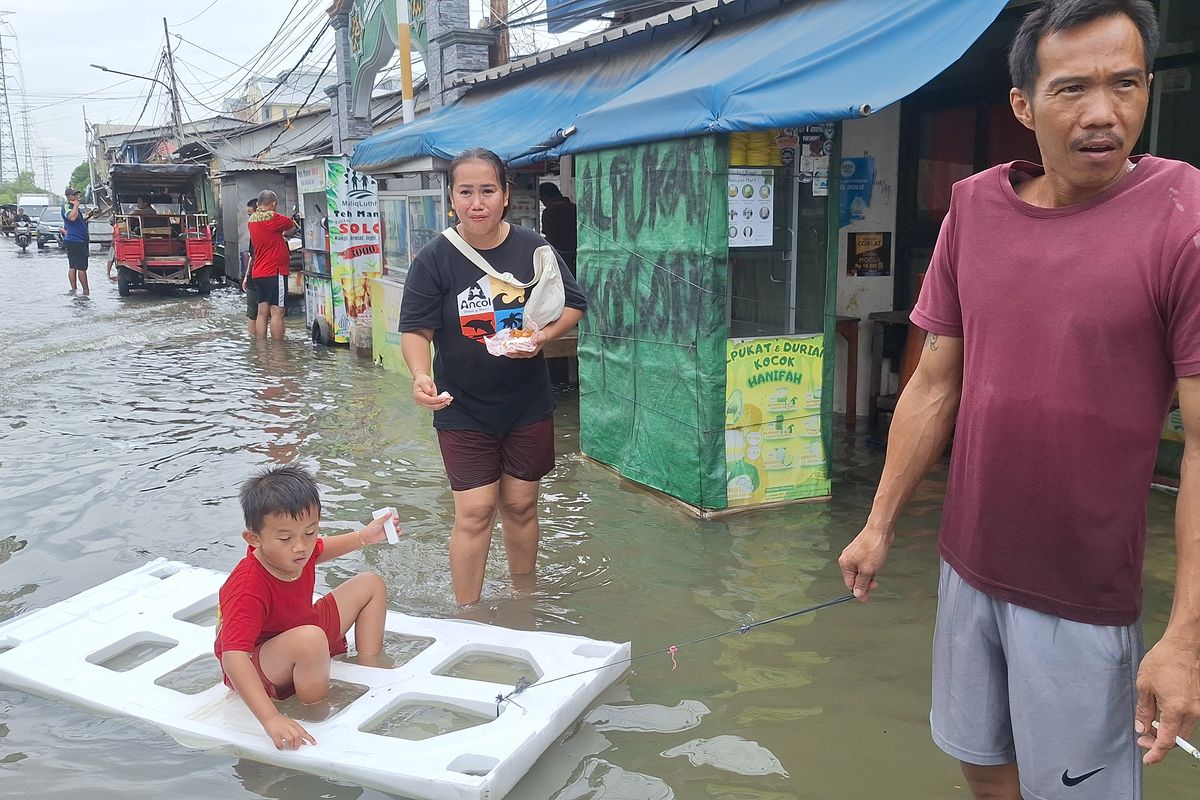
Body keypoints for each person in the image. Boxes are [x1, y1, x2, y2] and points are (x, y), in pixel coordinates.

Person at [837, 2, 1200, 798]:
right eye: (1072, 89)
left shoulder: (1183, 218)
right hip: (968, 563)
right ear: (1024, 107)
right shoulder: (974, 208)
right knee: (982, 764)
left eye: (1126, 84)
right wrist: (878, 523)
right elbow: (936, 379)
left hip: (1084, 591)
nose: (1103, 113)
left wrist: (1184, 637)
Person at [399, 147, 588, 606]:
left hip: (526, 403)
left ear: (505, 196)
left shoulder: (534, 248)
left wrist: (541, 338)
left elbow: (573, 304)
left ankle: (524, 599)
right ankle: (468, 614)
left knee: (522, 506)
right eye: (466, 191)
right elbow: (416, 329)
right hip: (461, 404)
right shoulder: (435, 257)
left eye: (487, 190)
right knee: (475, 512)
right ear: (452, 198)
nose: (477, 201)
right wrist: (421, 375)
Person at [214, 465, 397, 750]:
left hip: (302, 629)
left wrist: (364, 537)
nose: (301, 547)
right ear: (254, 539)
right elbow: (233, 656)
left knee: (370, 584)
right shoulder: (248, 587)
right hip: (260, 662)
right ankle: (316, 709)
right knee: (310, 639)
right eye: (286, 538)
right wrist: (271, 718)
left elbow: (323, 548)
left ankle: (369, 667)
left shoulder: (300, 550)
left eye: (310, 532)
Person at [247, 190, 297, 340]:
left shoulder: (252, 221)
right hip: (275, 271)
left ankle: (261, 349)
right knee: (277, 312)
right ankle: (278, 350)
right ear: (273, 204)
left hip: (259, 272)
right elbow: (290, 224)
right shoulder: (273, 218)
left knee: (262, 312)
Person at [538, 182, 577, 277]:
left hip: (561, 257)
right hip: (577, 255)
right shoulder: (575, 208)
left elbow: (551, 238)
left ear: (545, 198)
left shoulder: (549, 212)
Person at [63, 188, 97, 295]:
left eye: (77, 194)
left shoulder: (73, 208)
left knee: (74, 266)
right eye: (75, 195)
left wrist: (89, 216)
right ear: (69, 197)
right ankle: (85, 291)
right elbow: (72, 218)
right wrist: (76, 205)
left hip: (77, 240)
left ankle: (74, 290)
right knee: (80, 267)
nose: (77, 196)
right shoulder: (68, 207)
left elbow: (78, 221)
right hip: (76, 241)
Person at [241, 198, 260, 337]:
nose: (249, 218)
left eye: (250, 214)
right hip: (255, 275)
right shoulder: (253, 233)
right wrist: (246, 276)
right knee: (254, 312)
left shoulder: (261, 231)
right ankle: (255, 342)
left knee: (259, 312)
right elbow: (252, 256)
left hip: (261, 274)